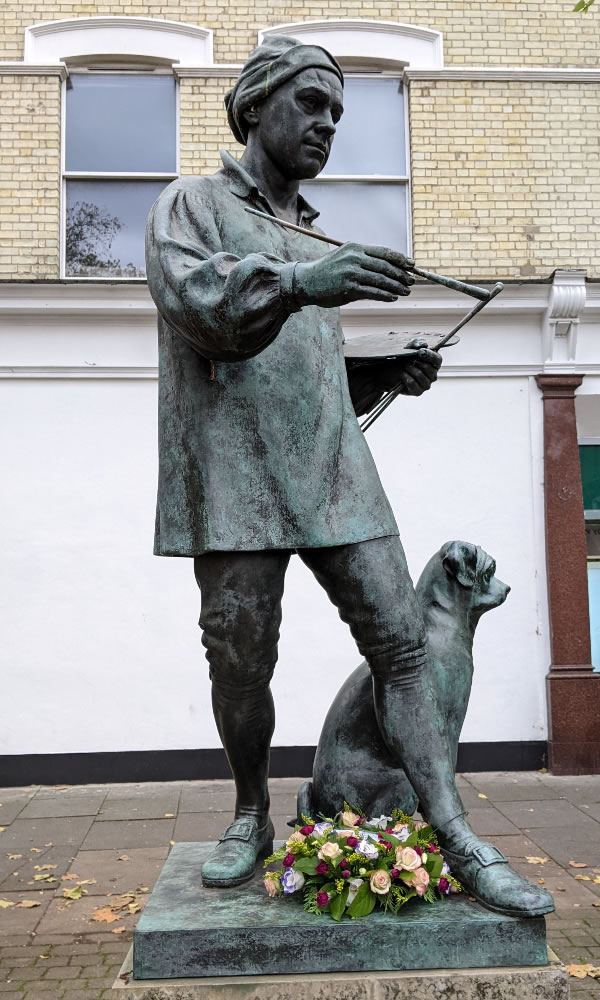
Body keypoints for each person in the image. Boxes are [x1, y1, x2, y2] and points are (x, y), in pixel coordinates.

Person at [145, 35, 553, 918]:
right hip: (236, 470)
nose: (328, 122)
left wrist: (378, 372)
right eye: (312, 103)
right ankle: (252, 811)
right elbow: (206, 310)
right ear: (255, 107)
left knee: (403, 644)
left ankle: (455, 833)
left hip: (334, 469)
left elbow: (304, 367)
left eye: (338, 111)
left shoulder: (310, 236)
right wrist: (306, 281)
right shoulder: (193, 204)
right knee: (241, 660)